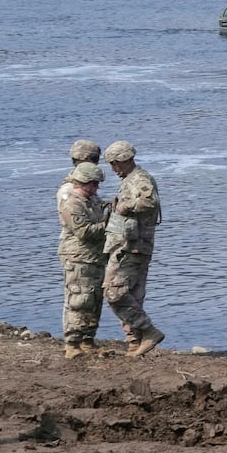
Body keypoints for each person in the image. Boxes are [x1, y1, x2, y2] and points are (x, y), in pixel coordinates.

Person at [101, 140, 164, 356]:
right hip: (128, 245)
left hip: (132, 247)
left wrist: (124, 206)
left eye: (115, 163)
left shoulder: (140, 178)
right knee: (132, 295)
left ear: (126, 160)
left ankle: (149, 332)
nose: (113, 169)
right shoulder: (130, 180)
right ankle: (135, 343)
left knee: (114, 293)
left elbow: (149, 202)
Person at [57, 161, 110, 358]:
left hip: (94, 257)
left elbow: (98, 212)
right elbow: (84, 232)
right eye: (94, 184)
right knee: (79, 300)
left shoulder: (91, 199)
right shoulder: (72, 203)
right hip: (79, 258)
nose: (97, 187)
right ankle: (72, 344)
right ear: (83, 182)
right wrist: (108, 223)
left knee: (94, 300)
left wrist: (110, 206)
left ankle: (88, 341)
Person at [60, 139, 101, 206]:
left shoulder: (87, 183)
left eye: (96, 159)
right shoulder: (70, 190)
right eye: (94, 159)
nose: (95, 164)